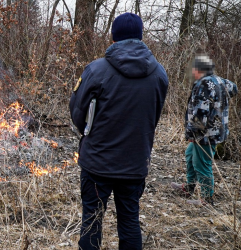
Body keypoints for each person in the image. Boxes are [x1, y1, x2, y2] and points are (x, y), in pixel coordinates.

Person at [69, 13, 168, 249]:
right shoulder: (159, 75)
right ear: (141, 37)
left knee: (92, 223)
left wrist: (91, 134)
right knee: (129, 222)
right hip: (135, 164)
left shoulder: (96, 71)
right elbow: (153, 117)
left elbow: (77, 113)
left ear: (113, 37)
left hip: (97, 165)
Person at [171, 54, 237, 206]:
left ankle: (207, 200)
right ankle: (189, 187)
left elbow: (201, 114)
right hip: (214, 131)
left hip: (205, 134)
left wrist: (192, 133)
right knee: (190, 154)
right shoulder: (220, 80)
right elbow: (234, 88)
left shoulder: (204, 84)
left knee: (202, 164)